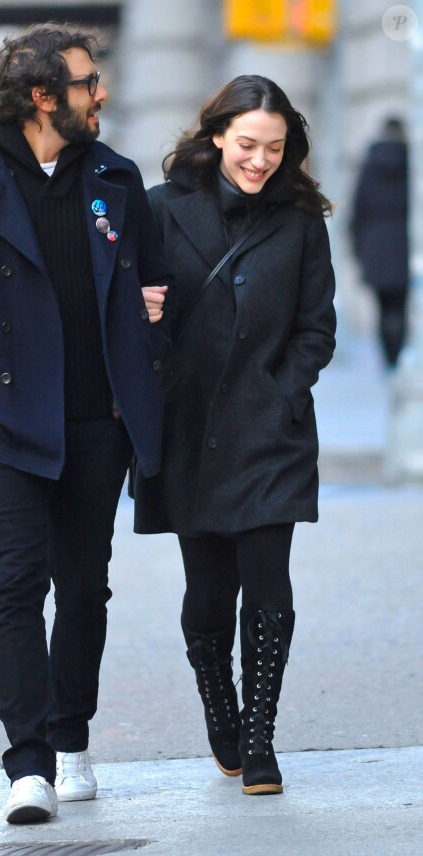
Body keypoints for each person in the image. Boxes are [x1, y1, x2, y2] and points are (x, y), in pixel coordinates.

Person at [0, 22, 171, 824]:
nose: (100, 93)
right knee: (17, 583)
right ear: (44, 96)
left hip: (96, 419)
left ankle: (71, 736)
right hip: (5, 418)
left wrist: (151, 314)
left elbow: (152, 283)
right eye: (87, 82)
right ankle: (29, 766)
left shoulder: (114, 177)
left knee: (84, 587)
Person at [133, 75, 336, 796]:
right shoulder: (160, 211)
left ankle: (259, 738)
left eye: (274, 148)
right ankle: (221, 707)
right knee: (209, 592)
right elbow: (126, 313)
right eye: (248, 144)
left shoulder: (301, 221)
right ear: (218, 135)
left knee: (269, 583)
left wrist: (283, 391)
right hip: (188, 427)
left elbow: (317, 328)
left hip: (270, 430)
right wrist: (140, 309)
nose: (260, 161)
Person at [350, 117, 409, 369]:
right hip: (404, 246)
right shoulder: (411, 163)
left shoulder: (369, 165)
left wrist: (358, 251)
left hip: (375, 248)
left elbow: (358, 211)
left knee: (382, 308)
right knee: (401, 307)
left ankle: (389, 359)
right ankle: (398, 356)